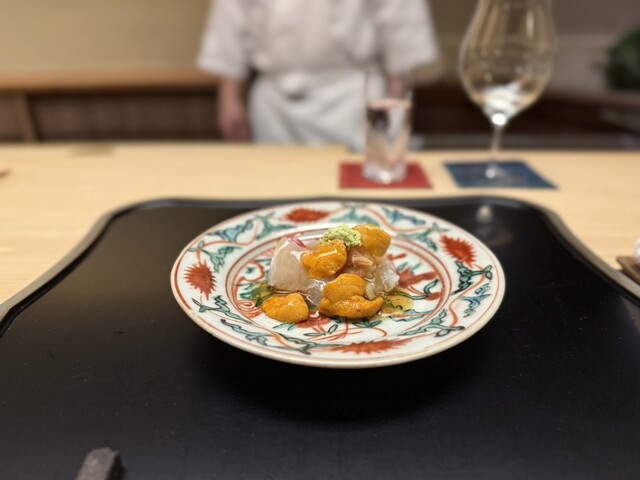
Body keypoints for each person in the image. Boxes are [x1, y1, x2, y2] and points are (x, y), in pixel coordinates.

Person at [197, 0, 440, 150]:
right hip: (275, 105)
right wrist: (229, 94)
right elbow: (232, 13)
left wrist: (395, 101)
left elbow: (399, 16)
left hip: (351, 100)